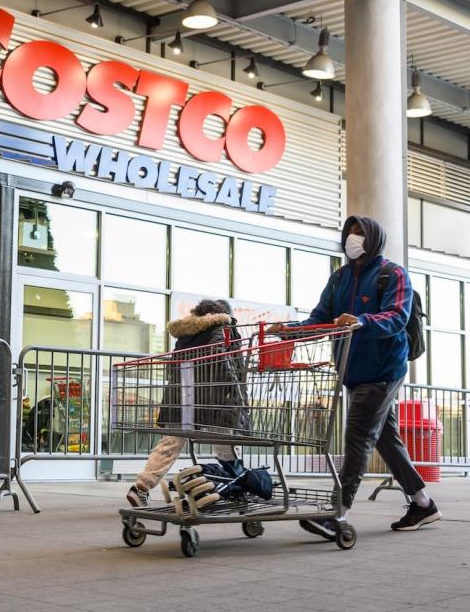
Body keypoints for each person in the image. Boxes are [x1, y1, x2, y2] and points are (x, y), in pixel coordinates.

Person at [270, 215, 441, 537]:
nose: (353, 238)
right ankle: (423, 503)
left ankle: (337, 512)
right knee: (385, 440)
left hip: (383, 370)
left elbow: (396, 317)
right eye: (349, 233)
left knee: (358, 438)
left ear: (373, 238)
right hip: (352, 370)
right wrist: (290, 331)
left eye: (359, 233)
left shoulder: (392, 274)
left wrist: (362, 321)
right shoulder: (339, 278)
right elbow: (321, 317)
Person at [127, 299, 248, 508]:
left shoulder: (185, 334)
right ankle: (235, 487)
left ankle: (141, 487)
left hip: (181, 398)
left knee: (169, 445)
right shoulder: (225, 328)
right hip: (214, 399)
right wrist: (237, 402)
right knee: (225, 444)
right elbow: (232, 368)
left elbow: (174, 367)